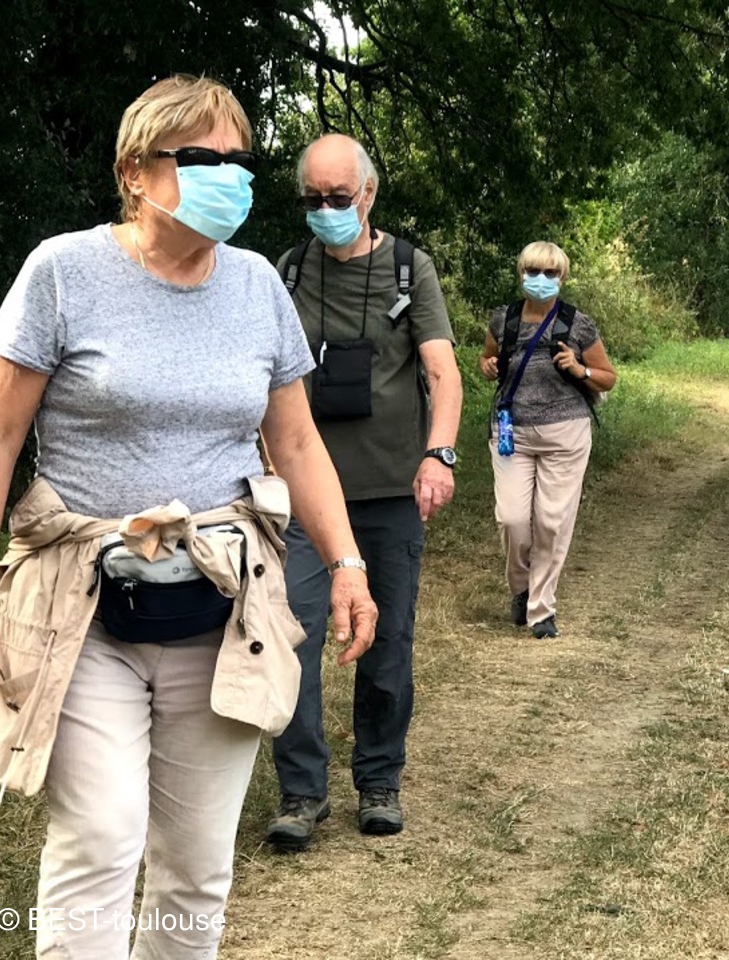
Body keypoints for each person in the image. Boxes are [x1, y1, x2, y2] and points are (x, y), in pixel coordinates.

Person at [0, 75, 378, 959]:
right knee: (102, 838)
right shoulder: (63, 272)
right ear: (134, 170)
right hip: (83, 606)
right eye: (200, 157)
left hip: (219, 610)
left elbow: (296, 440)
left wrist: (347, 564)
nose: (229, 175)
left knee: (196, 866)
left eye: (239, 160)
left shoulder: (257, 284)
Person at [266, 134, 463, 850]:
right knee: (292, 635)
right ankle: (302, 790)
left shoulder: (410, 268)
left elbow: (443, 372)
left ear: (369, 194)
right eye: (313, 198)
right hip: (304, 497)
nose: (325, 209)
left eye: (338, 197)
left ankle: (379, 778)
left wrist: (438, 455)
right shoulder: (288, 272)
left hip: (389, 492)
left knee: (389, 641)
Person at [479, 242, 617, 639]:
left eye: (550, 272)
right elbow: (487, 358)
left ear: (562, 277)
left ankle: (541, 610)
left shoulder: (577, 324)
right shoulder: (504, 319)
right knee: (512, 519)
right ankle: (521, 589)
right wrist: (487, 365)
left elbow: (607, 377)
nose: (540, 279)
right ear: (521, 273)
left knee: (551, 522)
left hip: (565, 433)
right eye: (533, 271)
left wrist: (579, 369)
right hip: (512, 433)